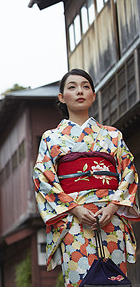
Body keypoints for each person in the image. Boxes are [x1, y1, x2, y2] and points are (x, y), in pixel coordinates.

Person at [33, 69, 140, 286]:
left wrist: (111, 208)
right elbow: (43, 179)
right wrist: (75, 209)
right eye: (72, 87)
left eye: (85, 86)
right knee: (80, 279)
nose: (79, 91)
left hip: (110, 218)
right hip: (73, 220)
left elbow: (128, 172)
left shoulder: (113, 135)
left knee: (114, 278)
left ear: (93, 94)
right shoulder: (51, 138)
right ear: (62, 97)